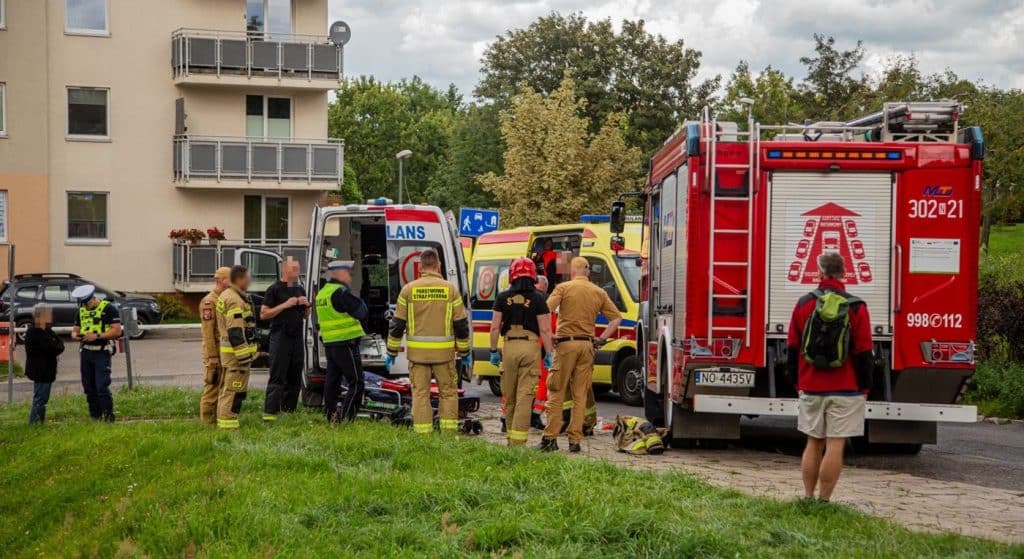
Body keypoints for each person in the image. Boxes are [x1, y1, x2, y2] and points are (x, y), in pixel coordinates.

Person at [787, 251, 873, 502]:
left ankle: (807, 497)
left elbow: (792, 346)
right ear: (844, 274)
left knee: (813, 442)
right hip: (846, 387)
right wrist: (865, 386)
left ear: (819, 273)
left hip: (811, 385)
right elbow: (864, 350)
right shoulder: (856, 306)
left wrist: (797, 380)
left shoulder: (804, 303)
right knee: (836, 444)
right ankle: (825, 501)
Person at [538, 257, 622, 452]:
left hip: (566, 345)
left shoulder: (563, 288)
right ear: (588, 271)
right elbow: (616, 318)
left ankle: (550, 438)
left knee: (557, 391)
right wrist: (601, 338)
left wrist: (550, 335)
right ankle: (575, 441)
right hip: (587, 346)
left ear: (572, 271)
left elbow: (544, 310)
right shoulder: (598, 292)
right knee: (580, 395)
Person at [386, 248, 471, 434]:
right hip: (444, 354)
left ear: (420, 268)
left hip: (418, 356)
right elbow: (461, 325)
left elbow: (397, 324)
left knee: (420, 394)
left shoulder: (408, 290)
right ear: (438, 265)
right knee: (448, 393)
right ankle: (448, 436)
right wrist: (464, 353)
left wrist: (391, 352)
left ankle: (423, 435)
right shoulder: (450, 290)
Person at [489, 257, 554, 446]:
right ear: (533, 275)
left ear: (512, 275)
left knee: (509, 395)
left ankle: (510, 437)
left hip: (509, 346)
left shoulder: (502, 298)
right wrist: (549, 353)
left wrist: (493, 350)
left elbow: (494, 328)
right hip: (531, 346)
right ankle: (518, 443)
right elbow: (545, 330)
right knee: (525, 396)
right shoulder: (540, 298)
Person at [316, 260, 368, 423]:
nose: (350, 277)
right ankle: (346, 419)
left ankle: (331, 415)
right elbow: (361, 311)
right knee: (357, 382)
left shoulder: (322, 293)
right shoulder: (340, 292)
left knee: (332, 381)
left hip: (331, 344)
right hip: (345, 343)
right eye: (348, 273)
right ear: (338, 273)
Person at [260, 259, 311, 421]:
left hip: (296, 336)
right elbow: (264, 314)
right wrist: (285, 305)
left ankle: (289, 410)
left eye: (298, 268)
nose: (297, 271)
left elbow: (304, 315)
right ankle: (271, 412)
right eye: (294, 268)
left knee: (295, 373)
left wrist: (307, 306)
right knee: (278, 374)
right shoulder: (274, 289)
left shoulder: (299, 288)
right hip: (280, 336)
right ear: (285, 270)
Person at [70, 284, 122, 422]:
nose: (85, 307)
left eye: (87, 303)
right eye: (83, 304)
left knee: (101, 386)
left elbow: (117, 331)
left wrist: (97, 336)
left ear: (93, 299)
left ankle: (109, 416)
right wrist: (75, 335)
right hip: (86, 352)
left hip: (102, 352)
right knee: (88, 387)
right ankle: (95, 416)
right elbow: (75, 330)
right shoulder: (81, 311)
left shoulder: (108, 309)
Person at [215, 265, 258, 430]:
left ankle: (224, 422)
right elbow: (235, 332)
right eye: (248, 277)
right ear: (240, 279)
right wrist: (244, 358)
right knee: (234, 392)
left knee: (227, 390)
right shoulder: (234, 300)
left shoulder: (227, 295)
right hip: (235, 358)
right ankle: (228, 427)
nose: (250, 280)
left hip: (228, 356)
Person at [199, 267, 231, 424]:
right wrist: (212, 356)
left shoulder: (224, 299)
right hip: (214, 353)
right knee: (212, 387)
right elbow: (208, 332)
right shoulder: (209, 301)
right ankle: (207, 423)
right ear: (222, 280)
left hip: (224, 352)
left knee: (223, 387)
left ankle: (218, 419)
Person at [24, 304, 64, 424]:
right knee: (40, 398)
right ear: (41, 316)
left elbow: (59, 344)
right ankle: (35, 422)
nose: (51, 316)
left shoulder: (46, 329)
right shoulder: (35, 332)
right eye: (48, 313)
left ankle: (39, 421)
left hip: (46, 369)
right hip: (40, 370)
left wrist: (57, 345)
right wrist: (56, 345)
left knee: (42, 397)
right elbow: (53, 348)